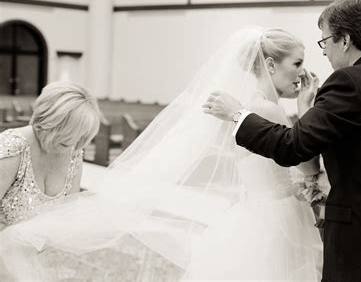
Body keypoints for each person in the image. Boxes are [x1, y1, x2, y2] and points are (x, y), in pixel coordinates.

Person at [0, 28, 324, 281]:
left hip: (253, 212)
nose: (302, 72)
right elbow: (302, 159)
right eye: (297, 63)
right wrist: (306, 112)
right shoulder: (266, 109)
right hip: (271, 217)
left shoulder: (246, 109)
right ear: (270, 64)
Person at [204, 0, 361, 282]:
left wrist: (238, 115)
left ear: (345, 40)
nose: (323, 53)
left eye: (325, 42)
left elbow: (291, 147)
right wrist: (307, 112)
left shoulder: (348, 81)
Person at [0, 81, 100, 230]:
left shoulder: (73, 152)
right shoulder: (13, 147)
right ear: (49, 121)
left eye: (81, 133)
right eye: (68, 131)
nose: (74, 140)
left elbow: (67, 216)